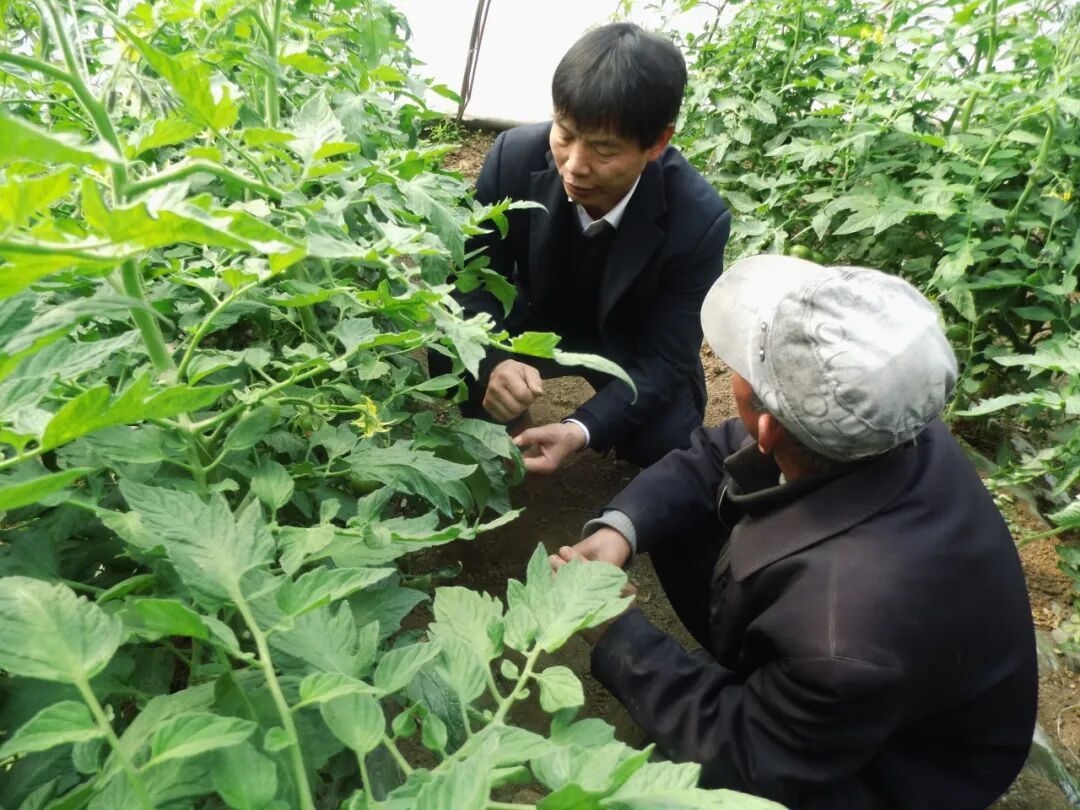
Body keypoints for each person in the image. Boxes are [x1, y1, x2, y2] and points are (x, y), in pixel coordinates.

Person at [550, 255, 1039, 809]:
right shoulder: (885, 423)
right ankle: (762, 685)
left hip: (898, 769)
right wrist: (622, 529)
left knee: (654, 790)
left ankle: (763, 700)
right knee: (678, 519)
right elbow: (713, 454)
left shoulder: (840, 641)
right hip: (867, 684)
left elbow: (750, 751)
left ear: (768, 426)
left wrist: (617, 634)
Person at [436, 23, 731, 474]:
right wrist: (495, 362)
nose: (574, 166)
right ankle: (506, 410)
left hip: (628, 344)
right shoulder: (513, 158)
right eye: (565, 134)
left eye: (603, 150)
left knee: (668, 442)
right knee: (454, 356)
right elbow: (469, 279)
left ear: (658, 143)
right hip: (529, 319)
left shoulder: (697, 219)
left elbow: (666, 359)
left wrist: (580, 428)